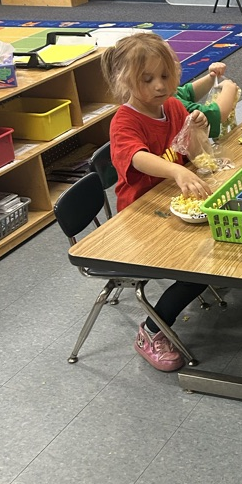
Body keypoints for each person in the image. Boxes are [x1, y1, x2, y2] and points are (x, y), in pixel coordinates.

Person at [101, 33, 212, 372]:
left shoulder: (174, 107)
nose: (160, 86)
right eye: (147, 80)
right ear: (126, 82)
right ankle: (151, 330)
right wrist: (175, 173)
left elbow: (194, 155)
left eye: (165, 76)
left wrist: (198, 132)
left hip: (172, 205)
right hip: (139, 217)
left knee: (219, 247)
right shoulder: (125, 120)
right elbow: (137, 158)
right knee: (199, 270)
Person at [175, 61, 239, 139]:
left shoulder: (170, 92)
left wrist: (212, 77)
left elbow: (188, 92)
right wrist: (229, 87)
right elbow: (217, 114)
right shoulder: (173, 104)